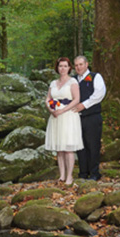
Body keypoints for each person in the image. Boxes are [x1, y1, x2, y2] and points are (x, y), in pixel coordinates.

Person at [45, 57, 84, 185]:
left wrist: (62, 110)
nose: (62, 68)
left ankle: (69, 176)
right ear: (57, 68)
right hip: (55, 117)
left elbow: (76, 99)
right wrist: (51, 110)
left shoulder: (72, 82)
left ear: (69, 68)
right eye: (60, 66)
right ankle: (61, 175)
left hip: (68, 116)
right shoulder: (53, 83)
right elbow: (48, 99)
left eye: (65, 66)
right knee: (59, 148)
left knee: (67, 148)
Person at [72, 55, 106, 181]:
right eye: (76, 65)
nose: (78, 67)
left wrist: (84, 105)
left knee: (93, 145)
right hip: (77, 118)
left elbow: (99, 94)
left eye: (81, 64)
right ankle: (83, 173)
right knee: (80, 146)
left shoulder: (95, 77)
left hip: (92, 117)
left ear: (86, 64)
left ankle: (94, 173)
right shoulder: (74, 80)